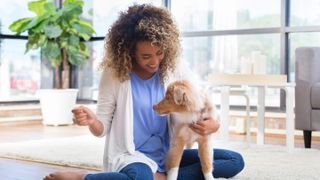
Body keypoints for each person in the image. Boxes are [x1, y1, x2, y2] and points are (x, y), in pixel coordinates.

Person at [44, 4, 244, 180]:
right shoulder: (115, 75)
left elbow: (198, 101)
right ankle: (84, 178)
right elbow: (101, 129)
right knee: (140, 175)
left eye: (159, 53)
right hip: (133, 155)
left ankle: (157, 178)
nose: (155, 62)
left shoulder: (174, 68)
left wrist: (214, 124)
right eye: (146, 56)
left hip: (170, 152)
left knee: (234, 160)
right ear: (130, 52)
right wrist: (91, 121)